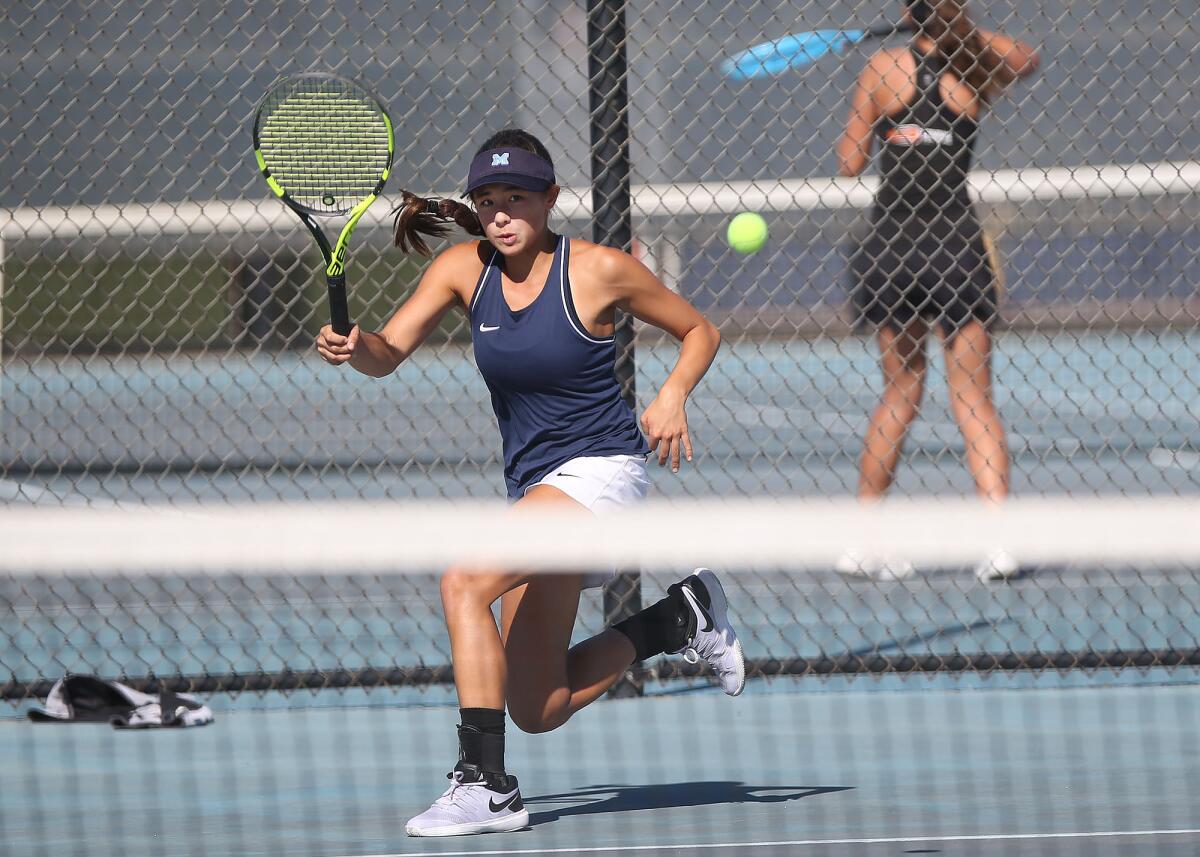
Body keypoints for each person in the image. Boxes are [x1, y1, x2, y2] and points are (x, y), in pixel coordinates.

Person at [317, 128, 745, 837]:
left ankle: (484, 784)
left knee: (464, 580)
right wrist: (352, 344)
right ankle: (682, 616)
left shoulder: (600, 270)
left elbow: (699, 330)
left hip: (602, 475)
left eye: (516, 198)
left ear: (549, 199)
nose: (501, 214)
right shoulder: (462, 269)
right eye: (487, 201)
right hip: (538, 490)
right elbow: (387, 352)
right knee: (537, 705)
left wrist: (671, 395)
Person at [835, 0, 1038, 580]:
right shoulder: (976, 69)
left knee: (901, 391)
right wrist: (961, 31)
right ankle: (999, 544)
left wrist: (891, 124)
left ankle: (861, 540)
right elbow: (1026, 60)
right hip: (955, 245)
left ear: (907, 11)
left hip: (891, 245)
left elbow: (849, 162)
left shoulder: (881, 68)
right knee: (973, 397)